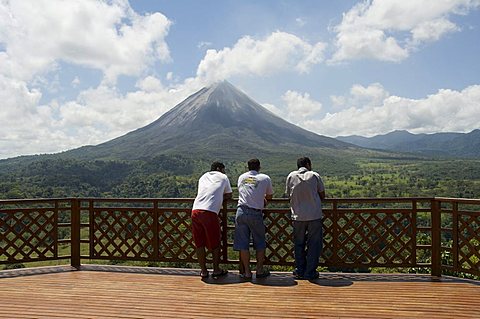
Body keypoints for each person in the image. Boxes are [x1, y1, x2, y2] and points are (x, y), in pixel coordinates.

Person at [285, 156, 326, 280]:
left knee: (298, 244)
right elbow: (322, 194)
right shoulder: (314, 175)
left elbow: (288, 195)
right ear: (308, 164)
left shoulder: (291, 176)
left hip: (297, 216)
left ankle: (300, 270)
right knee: (314, 244)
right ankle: (310, 272)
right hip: (314, 215)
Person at [233, 158, 274, 279]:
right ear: (259, 167)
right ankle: (259, 270)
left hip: (241, 211)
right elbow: (270, 196)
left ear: (248, 167)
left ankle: (247, 272)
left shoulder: (241, 177)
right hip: (255, 213)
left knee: (242, 244)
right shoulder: (265, 178)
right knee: (260, 242)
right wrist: (263, 201)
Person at [192, 161, 232, 279]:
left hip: (195, 210)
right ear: (219, 169)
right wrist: (219, 198)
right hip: (209, 212)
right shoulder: (223, 177)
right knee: (215, 242)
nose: (224, 172)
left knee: (199, 243)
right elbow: (229, 195)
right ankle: (216, 269)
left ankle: (203, 271)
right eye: (223, 169)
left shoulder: (203, 177)